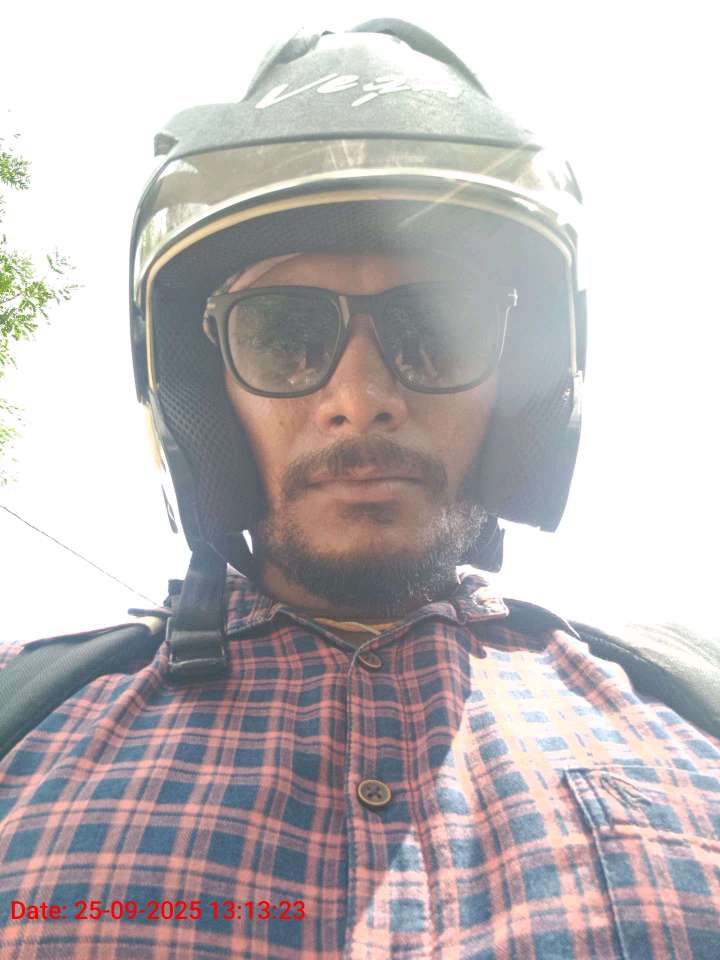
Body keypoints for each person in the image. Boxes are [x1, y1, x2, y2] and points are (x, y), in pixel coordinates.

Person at [1, 18, 719, 960]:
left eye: (438, 330)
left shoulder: (693, 716)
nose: (362, 398)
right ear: (200, 391)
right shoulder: (22, 721)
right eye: (284, 334)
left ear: (523, 390)